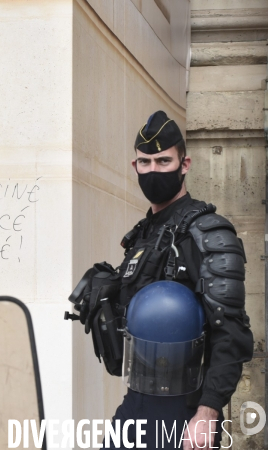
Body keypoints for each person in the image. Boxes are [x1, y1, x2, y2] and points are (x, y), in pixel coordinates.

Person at [69, 111, 254, 449]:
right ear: (134, 166)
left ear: (185, 164)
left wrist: (207, 413)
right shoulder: (145, 234)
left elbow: (232, 333)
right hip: (137, 400)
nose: (153, 170)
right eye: (145, 161)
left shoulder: (208, 233)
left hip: (183, 411)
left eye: (163, 160)